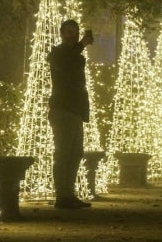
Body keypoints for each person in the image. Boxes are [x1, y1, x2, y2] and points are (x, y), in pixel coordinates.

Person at [48, 19, 94, 209]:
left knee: (75, 153)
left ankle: (69, 193)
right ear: (61, 33)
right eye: (68, 32)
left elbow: (75, 64)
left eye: (75, 33)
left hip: (75, 110)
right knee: (63, 153)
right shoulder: (58, 53)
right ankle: (62, 196)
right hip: (62, 110)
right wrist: (82, 45)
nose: (72, 36)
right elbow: (68, 65)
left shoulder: (75, 55)